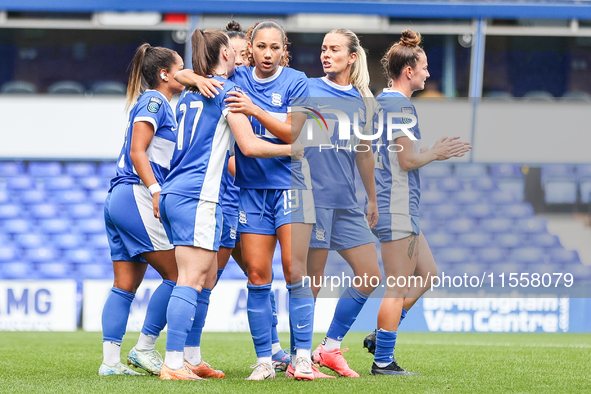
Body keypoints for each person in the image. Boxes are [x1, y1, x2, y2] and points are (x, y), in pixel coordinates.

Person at [158, 28, 303, 381]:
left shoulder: (192, 90)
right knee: (191, 279)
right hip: (199, 195)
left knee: (203, 277)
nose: (242, 55)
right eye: (234, 50)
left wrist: (191, 73)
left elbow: (178, 73)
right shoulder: (226, 90)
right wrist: (295, 149)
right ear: (225, 55)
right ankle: (172, 363)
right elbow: (250, 145)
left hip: (174, 191)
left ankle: (188, 358)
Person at [366, 30, 471, 375]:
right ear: (408, 70)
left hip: (394, 203)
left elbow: (397, 155)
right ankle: (383, 360)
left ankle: (382, 332)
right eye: (424, 66)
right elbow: (407, 161)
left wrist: (430, 152)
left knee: (427, 274)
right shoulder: (401, 105)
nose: (428, 73)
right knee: (397, 285)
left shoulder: (383, 101)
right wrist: (435, 153)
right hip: (397, 204)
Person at [300, 29, 381, 379]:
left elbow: (364, 152)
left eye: (334, 49)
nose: (326, 54)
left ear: (351, 57)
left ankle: (329, 347)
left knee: (371, 274)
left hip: (347, 202)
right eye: (323, 49)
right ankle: (299, 356)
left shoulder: (365, 100)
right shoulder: (306, 88)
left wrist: (372, 198)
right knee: (310, 281)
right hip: (311, 198)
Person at [99, 43, 184, 376]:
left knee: (124, 285)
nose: (186, 74)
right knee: (179, 276)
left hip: (119, 197)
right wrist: (156, 190)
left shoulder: (159, 103)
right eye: (181, 68)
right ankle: (145, 348)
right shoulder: (155, 100)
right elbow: (138, 152)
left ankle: (110, 364)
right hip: (135, 193)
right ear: (165, 74)